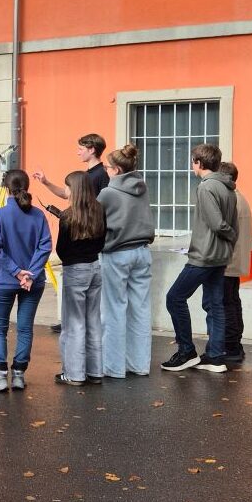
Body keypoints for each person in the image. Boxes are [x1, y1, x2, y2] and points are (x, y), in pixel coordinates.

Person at [161, 144, 239, 374]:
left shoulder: (206, 187)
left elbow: (218, 224)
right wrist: (231, 238)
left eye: (193, 161)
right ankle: (215, 357)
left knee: (174, 298)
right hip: (220, 255)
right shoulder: (227, 187)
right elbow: (231, 223)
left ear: (199, 163)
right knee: (215, 305)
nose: (192, 165)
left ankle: (186, 352)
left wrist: (229, 234)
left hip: (204, 256)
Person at [0, 169, 52, 393]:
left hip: (5, 280)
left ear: (6, 189)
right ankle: (19, 374)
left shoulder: (0, 215)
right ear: (27, 187)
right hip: (33, 282)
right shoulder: (38, 215)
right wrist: (30, 273)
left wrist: (16, 272)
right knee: (25, 328)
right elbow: (45, 247)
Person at [33, 133, 109, 334]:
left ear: (92, 149)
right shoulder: (88, 175)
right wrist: (46, 182)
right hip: (86, 249)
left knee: (85, 309)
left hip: (86, 248)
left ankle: (74, 327)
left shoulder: (100, 176)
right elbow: (67, 194)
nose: (78, 152)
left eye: (81, 148)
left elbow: (100, 207)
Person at [96, 144, 156, 379]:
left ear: (117, 170)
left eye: (107, 167)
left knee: (113, 310)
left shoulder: (108, 193)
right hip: (142, 252)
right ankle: (139, 365)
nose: (105, 170)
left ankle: (113, 367)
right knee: (140, 310)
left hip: (117, 254)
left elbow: (95, 221)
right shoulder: (142, 187)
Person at [49, 171, 105, 385]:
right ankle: (95, 371)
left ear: (75, 189)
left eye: (67, 186)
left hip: (75, 270)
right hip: (95, 267)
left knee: (74, 324)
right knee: (93, 321)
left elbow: (61, 249)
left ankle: (74, 374)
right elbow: (102, 242)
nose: (66, 190)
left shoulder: (68, 216)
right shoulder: (99, 210)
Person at [219, 161, 252, 366]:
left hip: (228, 260)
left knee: (227, 305)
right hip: (236, 259)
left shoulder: (232, 200)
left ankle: (231, 347)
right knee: (233, 302)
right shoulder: (240, 197)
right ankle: (235, 345)